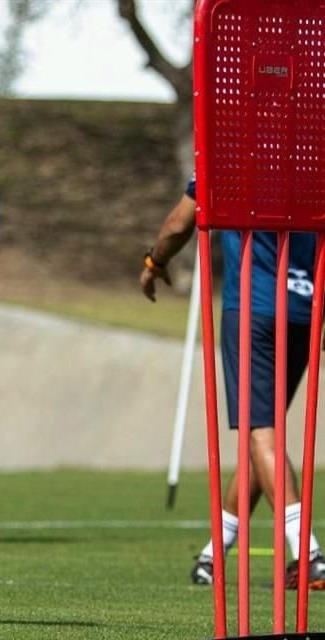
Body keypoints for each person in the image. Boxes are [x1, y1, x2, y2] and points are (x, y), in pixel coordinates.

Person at [141, 175, 325, 589]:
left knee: (261, 432)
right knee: (260, 440)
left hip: (253, 310)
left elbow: (176, 225)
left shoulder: (231, 158)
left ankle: (308, 553)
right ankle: (214, 555)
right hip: (304, 310)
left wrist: (154, 263)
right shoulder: (310, 157)